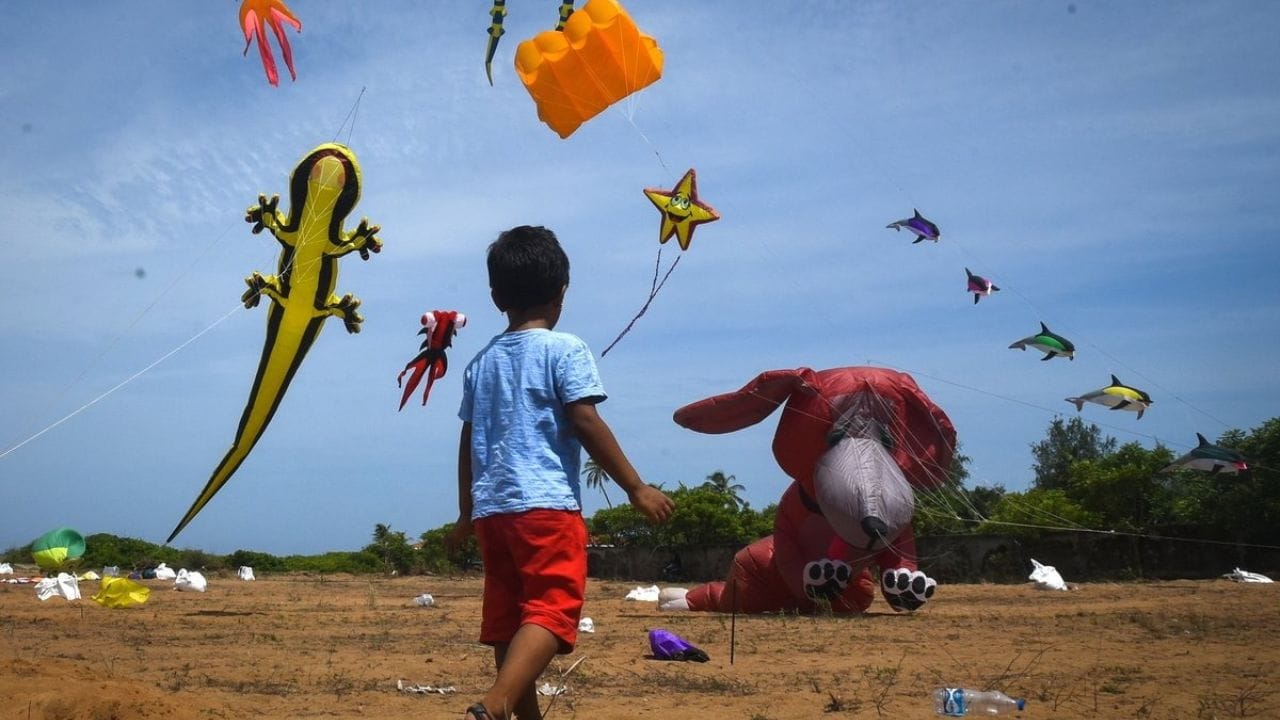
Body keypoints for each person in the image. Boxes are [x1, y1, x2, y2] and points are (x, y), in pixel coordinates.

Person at [448, 225, 675, 720]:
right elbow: (585, 419)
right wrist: (635, 487)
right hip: (546, 508)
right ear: (561, 293)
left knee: (511, 621)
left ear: (495, 297)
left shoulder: (479, 364)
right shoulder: (565, 349)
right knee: (552, 609)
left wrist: (466, 513)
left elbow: (467, 442)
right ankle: (492, 706)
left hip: (493, 514)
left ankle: (514, 712)